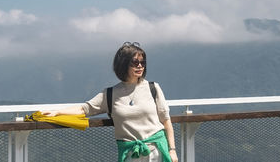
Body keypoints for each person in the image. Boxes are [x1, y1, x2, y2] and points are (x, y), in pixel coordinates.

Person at [42, 42, 178, 162]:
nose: (140, 66)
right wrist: (57, 112)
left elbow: (166, 121)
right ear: (124, 65)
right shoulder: (110, 94)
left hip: (156, 150)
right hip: (130, 153)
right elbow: (85, 109)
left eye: (143, 62)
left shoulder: (153, 88)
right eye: (135, 62)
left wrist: (172, 150)